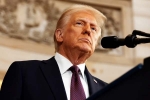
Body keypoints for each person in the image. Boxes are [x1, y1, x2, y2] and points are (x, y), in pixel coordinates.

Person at [0, 4, 107, 100]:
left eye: (94, 29)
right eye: (79, 23)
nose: (88, 30)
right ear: (59, 35)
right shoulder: (25, 73)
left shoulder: (105, 90)